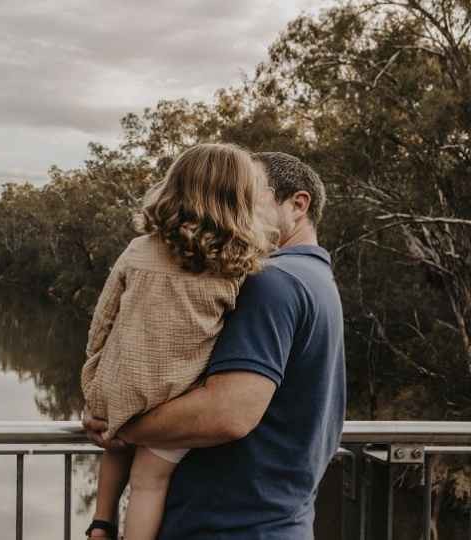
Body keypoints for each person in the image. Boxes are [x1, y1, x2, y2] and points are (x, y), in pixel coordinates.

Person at [83, 151, 346, 539]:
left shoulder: (271, 281)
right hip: (277, 522)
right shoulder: (316, 279)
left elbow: (228, 414)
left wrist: (122, 424)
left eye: (249, 192)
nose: (237, 205)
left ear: (298, 205)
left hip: (228, 528)